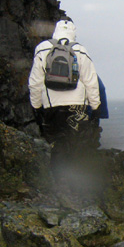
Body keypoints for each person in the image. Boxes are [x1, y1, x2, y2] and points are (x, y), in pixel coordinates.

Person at [28, 18, 100, 176]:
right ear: (73, 32)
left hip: (51, 105)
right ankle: (78, 184)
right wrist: (95, 108)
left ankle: (59, 181)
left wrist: (37, 107)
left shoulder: (42, 48)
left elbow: (35, 82)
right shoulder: (80, 50)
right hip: (77, 105)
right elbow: (91, 82)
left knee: (57, 143)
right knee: (77, 143)